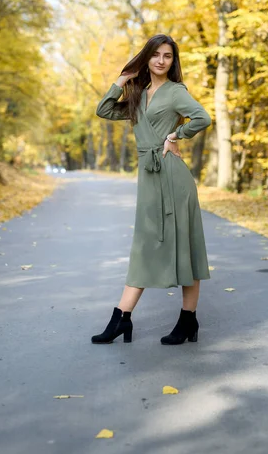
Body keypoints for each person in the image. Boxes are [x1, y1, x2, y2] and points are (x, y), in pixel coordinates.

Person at [91, 33, 212, 346]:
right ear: (146, 58)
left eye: (167, 56)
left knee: (186, 246)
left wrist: (176, 135)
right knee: (144, 244)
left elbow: (203, 117)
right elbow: (104, 110)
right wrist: (121, 80)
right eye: (155, 54)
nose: (161, 60)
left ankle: (186, 320)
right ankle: (122, 318)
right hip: (148, 175)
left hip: (172, 176)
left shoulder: (175, 92)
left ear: (173, 61)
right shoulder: (137, 95)